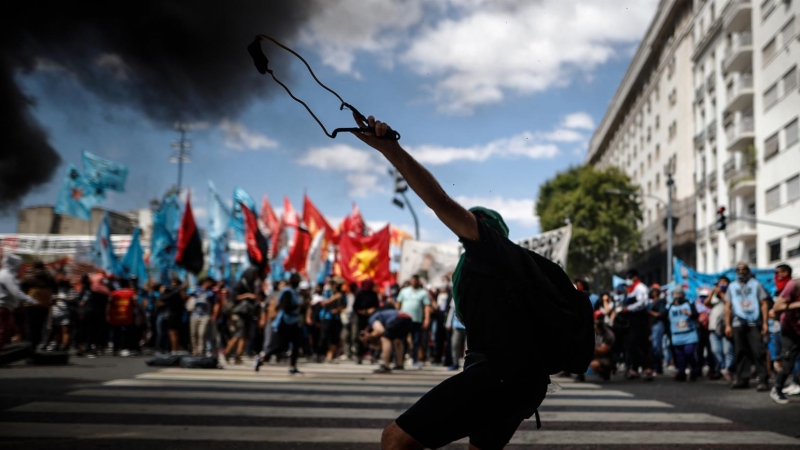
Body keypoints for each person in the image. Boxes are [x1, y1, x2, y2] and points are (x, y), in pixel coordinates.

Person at [352, 115, 556, 450]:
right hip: (526, 380)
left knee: (395, 439)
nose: (462, 232)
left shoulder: (490, 250)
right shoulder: (513, 267)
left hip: (501, 376)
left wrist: (392, 150)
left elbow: (439, 201)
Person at [725, 262, 770, 391]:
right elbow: (727, 307)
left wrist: (765, 322)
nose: (741, 271)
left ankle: (763, 380)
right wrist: (728, 325)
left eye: (744, 269)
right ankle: (742, 379)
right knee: (740, 352)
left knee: (758, 351)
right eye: (739, 269)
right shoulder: (732, 286)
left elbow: (764, 303)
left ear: (748, 270)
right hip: (738, 322)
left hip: (753, 321)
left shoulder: (756, 284)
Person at [257, 275, 306, 375]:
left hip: (293, 322)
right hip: (285, 322)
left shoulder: (294, 292)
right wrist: (299, 305)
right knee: (280, 346)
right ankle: (262, 358)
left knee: (295, 345)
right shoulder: (287, 292)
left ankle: (292, 367)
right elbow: (285, 306)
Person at [770, 264, 800, 404]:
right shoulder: (793, 285)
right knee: (788, 361)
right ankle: (777, 389)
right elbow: (777, 307)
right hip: (790, 329)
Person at [617, 269, 653, 381]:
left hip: (639, 320)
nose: (628, 280)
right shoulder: (630, 290)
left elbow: (642, 303)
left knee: (641, 344)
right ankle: (635, 369)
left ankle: (647, 369)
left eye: (630, 277)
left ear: (635, 277)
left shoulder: (640, 288)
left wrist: (628, 308)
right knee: (632, 345)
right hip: (631, 321)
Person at [0, 254, 37, 360]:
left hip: (7, 308)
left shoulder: (5, 274)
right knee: (2, 332)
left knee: (8, 332)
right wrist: (31, 300)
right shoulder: (7, 275)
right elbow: (16, 292)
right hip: (3, 307)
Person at [224, 267, 260, 364]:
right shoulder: (239, 284)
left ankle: (238, 356)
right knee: (238, 334)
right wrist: (247, 295)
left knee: (244, 336)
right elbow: (234, 298)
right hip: (239, 313)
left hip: (247, 313)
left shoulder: (252, 284)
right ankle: (227, 352)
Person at [361, 308, 413, 374]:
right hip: (408, 318)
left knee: (385, 338)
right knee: (397, 340)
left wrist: (367, 337)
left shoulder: (372, 318)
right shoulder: (382, 314)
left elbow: (380, 330)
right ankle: (399, 364)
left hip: (398, 318)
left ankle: (385, 365)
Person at [396, 275, 431, 368]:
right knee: (403, 340)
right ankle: (401, 360)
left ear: (418, 281)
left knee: (416, 341)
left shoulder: (423, 293)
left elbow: (426, 307)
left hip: (417, 320)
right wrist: (396, 316)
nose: (414, 282)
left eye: (416, 280)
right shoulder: (404, 291)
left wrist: (426, 319)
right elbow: (398, 304)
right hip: (404, 320)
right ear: (410, 281)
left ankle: (415, 360)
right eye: (413, 280)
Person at [20, 261, 56, 349]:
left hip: (31, 303)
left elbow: (22, 286)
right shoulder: (49, 275)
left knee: (31, 326)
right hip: (44, 303)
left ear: (34, 266)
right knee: (40, 325)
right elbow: (54, 288)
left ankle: (30, 346)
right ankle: (36, 344)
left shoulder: (29, 275)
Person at [706, 276, 734, 382]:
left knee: (727, 351)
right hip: (713, 327)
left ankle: (728, 369)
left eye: (725, 282)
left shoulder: (730, 293)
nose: (722, 284)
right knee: (715, 350)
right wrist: (712, 293)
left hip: (725, 327)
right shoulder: (714, 294)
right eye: (720, 282)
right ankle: (723, 368)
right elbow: (706, 303)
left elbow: (728, 303)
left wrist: (721, 293)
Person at [667, 289, 700, 382]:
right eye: (675, 294)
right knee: (679, 356)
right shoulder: (670, 306)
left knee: (688, 353)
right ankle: (681, 373)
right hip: (676, 335)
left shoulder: (689, 303)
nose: (677, 296)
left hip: (689, 334)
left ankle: (695, 369)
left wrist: (688, 313)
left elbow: (696, 315)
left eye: (679, 294)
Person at [107, 278, 139, 356]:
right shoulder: (132, 293)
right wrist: (139, 312)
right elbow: (135, 304)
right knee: (129, 333)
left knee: (116, 333)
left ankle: (116, 349)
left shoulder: (113, 293)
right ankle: (127, 348)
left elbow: (108, 305)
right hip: (128, 317)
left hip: (116, 317)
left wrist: (107, 315)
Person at [189, 277, 219, 356]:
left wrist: (214, 314)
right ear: (205, 282)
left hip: (205, 316)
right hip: (194, 315)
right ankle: (194, 351)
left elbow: (216, 303)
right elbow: (188, 298)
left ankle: (201, 352)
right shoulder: (196, 290)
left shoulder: (211, 292)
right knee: (193, 334)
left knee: (202, 334)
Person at [319, 277, 345, 363]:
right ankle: (321, 354)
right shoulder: (327, 292)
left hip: (336, 318)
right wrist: (334, 298)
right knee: (324, 336)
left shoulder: (342, 294)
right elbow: (323, 303)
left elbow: (344, 305)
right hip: (327, 317)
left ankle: (330, 355)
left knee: (334, 337)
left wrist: (337, 310)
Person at [353, 279, 379, 364]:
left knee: (372, 336)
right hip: (361, 319)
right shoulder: (360, 294)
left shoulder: (373, 294)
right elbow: (355, 307)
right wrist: (363, 312)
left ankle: (372, 355)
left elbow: (376, 306)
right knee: (361, 336)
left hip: (372, 318)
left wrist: (371, 311)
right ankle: (360, 356)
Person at [590, 310, 615, 380]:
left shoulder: (608, 334)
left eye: (601, 318)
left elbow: (603, 350)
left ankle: (605, 372)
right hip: (592, 355)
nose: (600, 321)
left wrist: (589, 347)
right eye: (598, 318)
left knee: (594, 365)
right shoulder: (590, 331)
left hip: (604, 357)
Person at [648, 286, 668, 375]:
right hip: (651, 325)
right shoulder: (650, 302)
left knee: (657, 346)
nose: (653, 293)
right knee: (653, 347)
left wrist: (650, 312)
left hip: (658, 325)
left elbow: (661, 314)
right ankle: (654, 366)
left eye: (654, 291)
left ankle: (658, 367)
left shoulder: (660, 302)